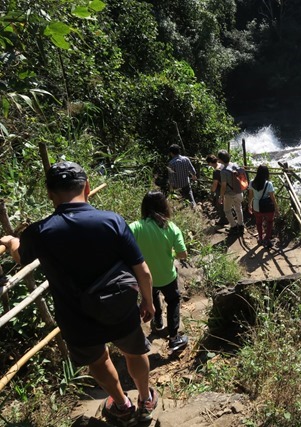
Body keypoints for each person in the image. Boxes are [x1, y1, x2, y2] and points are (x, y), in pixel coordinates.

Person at [0, 161, 158, 425]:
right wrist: (148, 302)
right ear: (87, 187)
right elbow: (142, 270)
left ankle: (122, 405)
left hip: (76, 316)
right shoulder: (112, 221)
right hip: (119, 307)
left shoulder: (39, 232)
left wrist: (11, 241)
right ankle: (145, 399)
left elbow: (20, 257)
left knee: (97, 361)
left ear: (50, 195)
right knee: (134, 352)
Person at [129, 191, 189, 352]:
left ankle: (157, 321)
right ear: (164, 207)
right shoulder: (171, 228)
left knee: (152, 295)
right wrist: (171, 254)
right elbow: (183, 254)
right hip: (167, 275)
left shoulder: (135, 227)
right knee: (173, 301)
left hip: (144, 277)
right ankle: (174, 337)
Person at [247, 164, 279, 249]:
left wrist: (249, 204)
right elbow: (272, 197)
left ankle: (260, 238)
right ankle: (267, 239)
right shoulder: (269, 184)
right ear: (266, 173)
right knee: (269, 222)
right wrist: (276, 207)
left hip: (257, 205)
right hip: (268, 206)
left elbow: (250, 195)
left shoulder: (252, 182)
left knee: (258, 222)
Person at [217, 149, 245, 234]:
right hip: (239, 191)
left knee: (227, 210)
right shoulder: (235, 165)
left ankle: (233, 226)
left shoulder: (223, 171)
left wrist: (221, 196)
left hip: (230, 194)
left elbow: (224, 186)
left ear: (221, 160)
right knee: (238, 208)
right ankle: (241, 225)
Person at [168, 144, 197, 208]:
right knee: (190, 198)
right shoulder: (186, 159)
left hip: (177, 186)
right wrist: (194, 175)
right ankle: (194, 208)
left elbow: (171, 178)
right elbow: (192, 170)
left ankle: (183, 210)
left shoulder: (171, 163)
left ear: (171, 153)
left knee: (179, 201)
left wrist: (171, 188)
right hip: (186, 183)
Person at [206, 154, 227, 225]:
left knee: (220, 204)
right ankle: (228, 217)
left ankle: (223, 219)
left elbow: (215, 184)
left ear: (210, 163)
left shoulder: (216, 171)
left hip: (221, 189)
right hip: (228, 188)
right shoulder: (222, 165)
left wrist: (212, 191)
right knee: (227, 204)